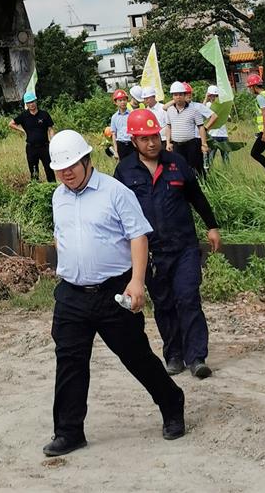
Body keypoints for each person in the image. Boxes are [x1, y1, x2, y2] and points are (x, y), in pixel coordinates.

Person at [43, 129, 185, 458]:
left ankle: (172, 403)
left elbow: (138, 237)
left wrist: (136, 282)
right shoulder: (58, 197)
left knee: (135, 356)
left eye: (72, 166)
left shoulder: (115, 192)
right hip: (72, 295)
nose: (66, 173)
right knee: (69, 361)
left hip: (113, 291)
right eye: (60, 169)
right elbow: (60, 236)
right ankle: (69, 431)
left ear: (86, 160)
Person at [115, 108, 221, 381]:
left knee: (188, 297)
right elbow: (115, 212)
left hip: (184, 245)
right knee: (164, 304)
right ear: (133, 141)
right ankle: (173, 355)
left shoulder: (176, 163)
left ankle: (196, 357)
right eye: (144, 138)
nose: (152, 143)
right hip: (151, 253)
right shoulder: (125, 171)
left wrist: (211, 226)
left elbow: (196, 196)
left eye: (155, 136)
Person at [163, 82, 211, 175]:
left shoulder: (193, 110)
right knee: (179, 169)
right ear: (172, 96)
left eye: (180, 94)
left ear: (185, 95)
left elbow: (200, 127)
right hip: (177, 145)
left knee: (195, 169)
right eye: (175, 95)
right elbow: (168, 126)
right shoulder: (170, 110)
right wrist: (168, 142)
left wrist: (204, 144)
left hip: (191, 144)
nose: (178, 97)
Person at [10, 91, 55, 179]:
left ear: (36, 101)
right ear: (26, 104)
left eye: (33, 101)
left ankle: (52, 188)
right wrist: (23, 131)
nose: (32, 104)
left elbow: (50, 128)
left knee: (49, 169)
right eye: (29, 102)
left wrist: (53, 140)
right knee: (34, 171)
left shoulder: (44, 114)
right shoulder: (24, 116)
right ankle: (35, 189)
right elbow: (11, 123)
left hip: (44, 147)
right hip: (31, 148)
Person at [203, 85, 231, 169]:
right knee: (210, 158)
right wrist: (205, 99)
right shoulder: (208, 105)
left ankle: (228, 174)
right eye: (211, 95)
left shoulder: (221, 105)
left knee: (226, 159)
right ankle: (209, 175)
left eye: (215, 96)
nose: (213, 97)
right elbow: (201, 111)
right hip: (212, 135)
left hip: (223, 135)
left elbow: (229, 118)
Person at [108, 91, 133, 161]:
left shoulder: (132, 114)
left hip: (132, 144)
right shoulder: (114, 117)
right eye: (120, 100)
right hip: (121, 145)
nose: (123, 102)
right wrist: (116, 151)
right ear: (116, 102)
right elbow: (114, 134)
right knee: (123, 167)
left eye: (124, 100)